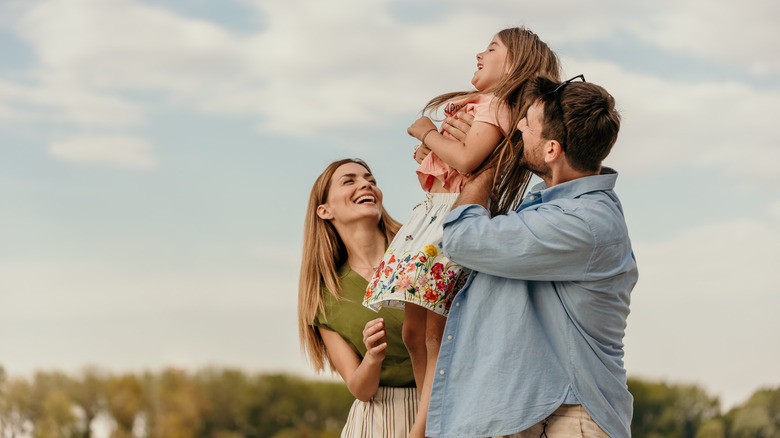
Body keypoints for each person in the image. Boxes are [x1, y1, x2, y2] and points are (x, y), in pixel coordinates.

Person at [362, 27, 560, 438]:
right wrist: (434, 152)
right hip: (431, 217)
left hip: (450, 220)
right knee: (413, 331)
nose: (479, 54)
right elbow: (454, 166)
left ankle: (424, 427)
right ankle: (427, 416)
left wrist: (427, 133)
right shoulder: (480, 106)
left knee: (434, 333)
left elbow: (469, 159)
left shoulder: (496, 106)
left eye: (491, 49)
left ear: (515, 63)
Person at [426, 76, 639, 438]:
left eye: (528, 122)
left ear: (552, 149)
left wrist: (487, 163)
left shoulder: (581, 223)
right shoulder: (551, 208)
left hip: (571, 418)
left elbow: (462, 238)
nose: (518, 126)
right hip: (543, 414)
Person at [298, 159, 417, 437]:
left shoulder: (419, 252)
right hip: (377, 420)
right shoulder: (325, 299)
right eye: (349, 181)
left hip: (446, 408)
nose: (366, 184)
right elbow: (359, 388)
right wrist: (373, 357)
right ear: (324, 211)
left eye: (370, 180)